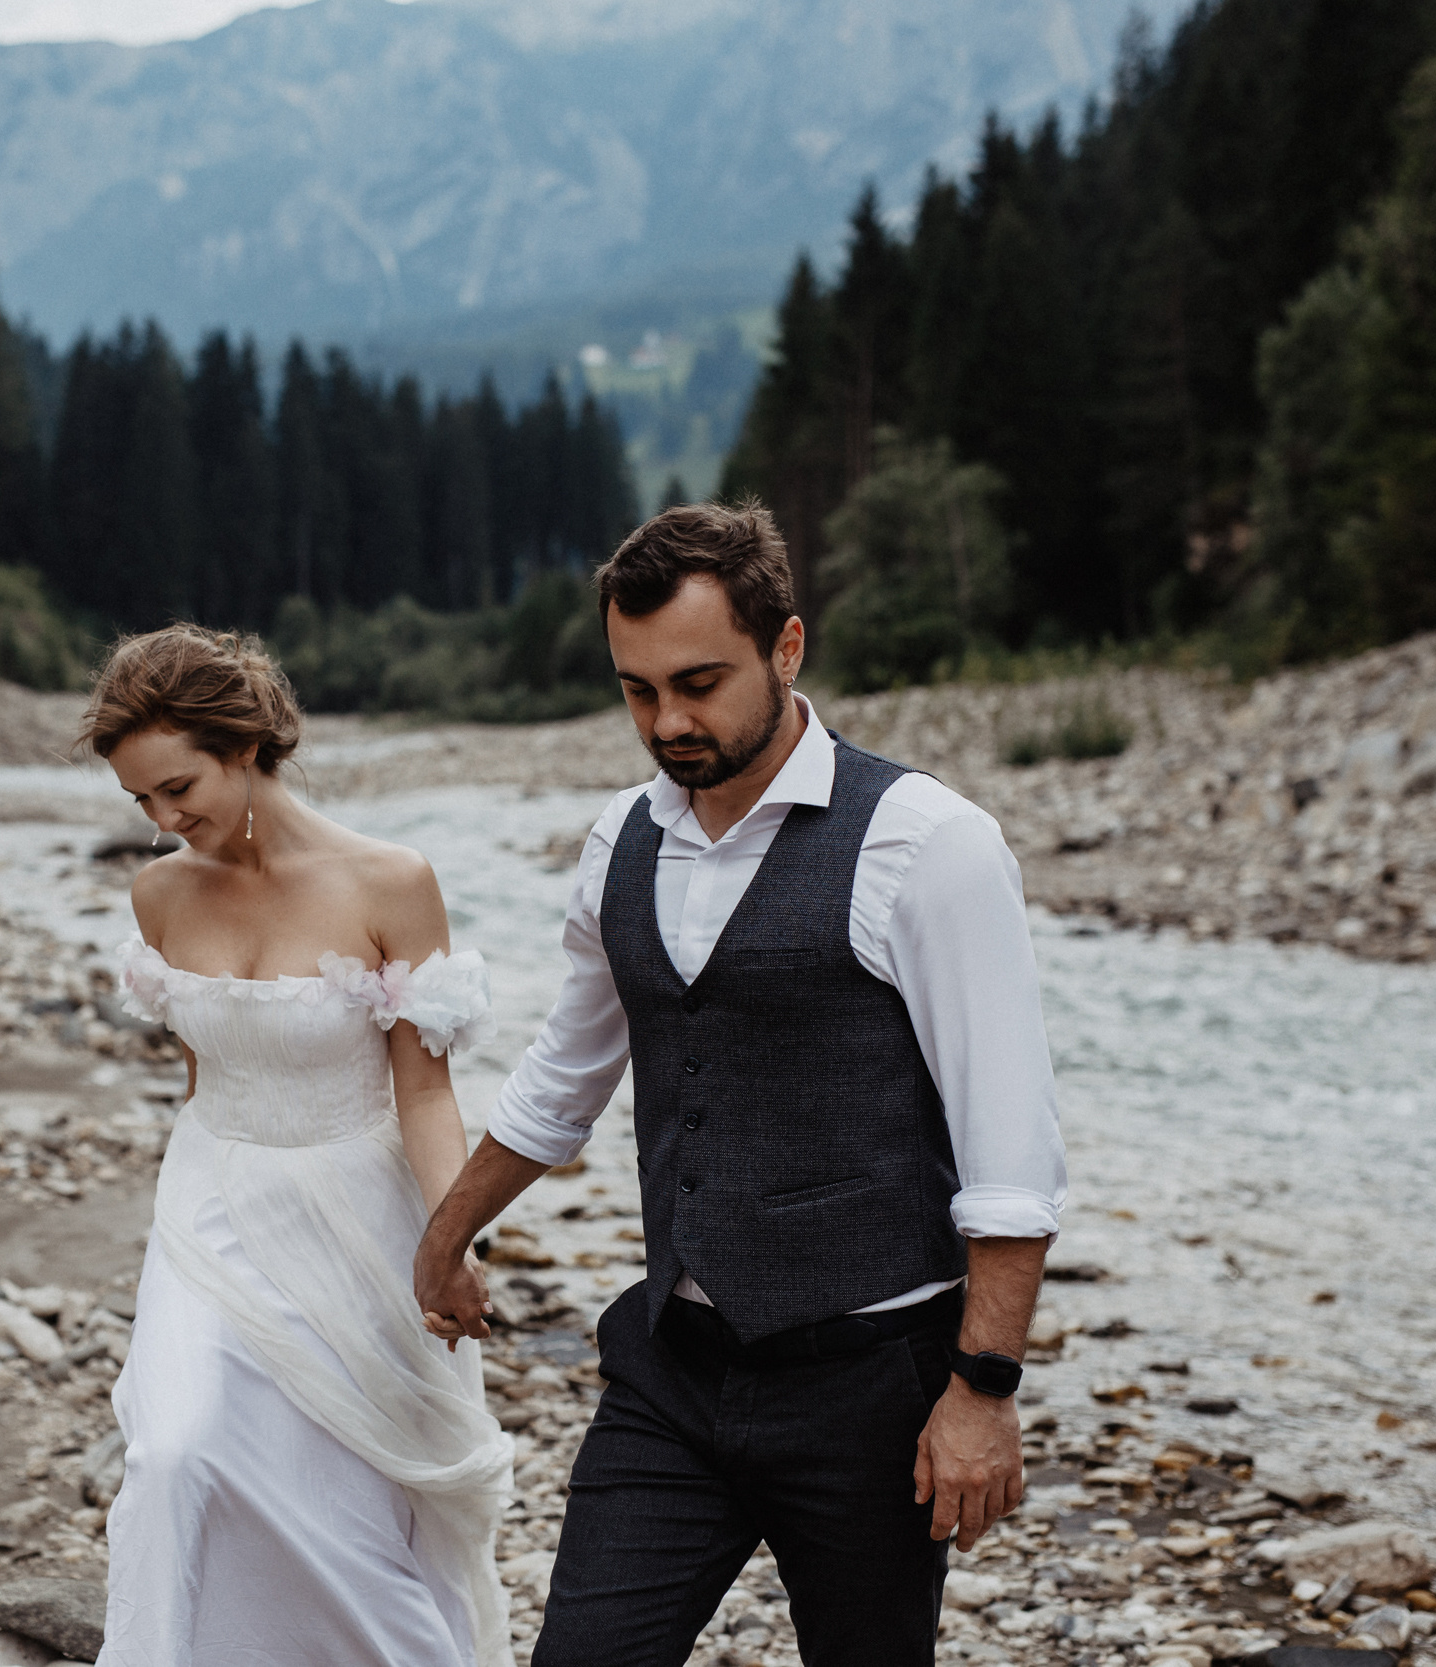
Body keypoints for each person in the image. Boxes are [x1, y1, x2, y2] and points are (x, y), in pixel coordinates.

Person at [414, 502, 1069, 1667]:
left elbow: (1009, 1152)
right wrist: (446, 1230)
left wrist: (982, 1389)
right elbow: (563, 1080)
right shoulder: (620, 840)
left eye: (700, 682)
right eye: (636, 689)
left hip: (870, 1388)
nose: (667, 720)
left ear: (787, 647)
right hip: (673, 1368)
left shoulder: (925, 842)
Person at [81, 625, 514, 1667]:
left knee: (342, 1497)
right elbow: (201, 1066)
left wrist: (453, 1240)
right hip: (212, 1195)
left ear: (244, 744)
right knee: (175, 1450)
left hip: (357, 1209)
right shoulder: (159, 893)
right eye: (141, 800)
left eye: (177, 785)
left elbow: (424, 1088)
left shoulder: (389, 881)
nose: (163, 818)